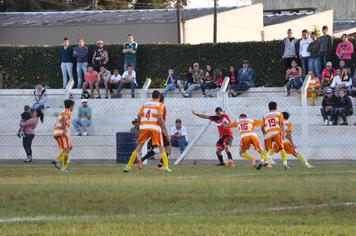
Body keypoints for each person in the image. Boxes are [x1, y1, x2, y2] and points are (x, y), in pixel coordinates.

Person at [123, 90, 172, 173]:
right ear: (159, 97)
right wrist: (164, 130)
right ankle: (166, 167)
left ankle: (128, 166)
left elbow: (138, 115)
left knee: (139, 147)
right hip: (155, 127)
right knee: (161, 147)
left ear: (152, 97)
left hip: (144, 127)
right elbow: (160, 117)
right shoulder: (160, 105)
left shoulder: (145, 104)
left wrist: (140, 122)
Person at [257, 101, 289, 170]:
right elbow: (282, 124)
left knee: (266, 149)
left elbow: (262, 127)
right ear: (276, 107)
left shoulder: (265, 116)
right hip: (277, 132)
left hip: (268, 132)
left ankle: (262, 161)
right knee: (281, 148)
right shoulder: (278, 114)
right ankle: (285, 164)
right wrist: (283, 133)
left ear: (268, 108)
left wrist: (265, 134)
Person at [52, 99, 75, 173]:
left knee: (69, 147)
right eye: (73, 106)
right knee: (66, 149)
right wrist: (64, 130)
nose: (73, 108)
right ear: (71, 106)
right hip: (62, 132)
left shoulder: (64, 111)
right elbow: (63, 120)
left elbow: (58, 121)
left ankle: (63, 167)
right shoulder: (67, 111)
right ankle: (58, 162)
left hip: (58, 132)